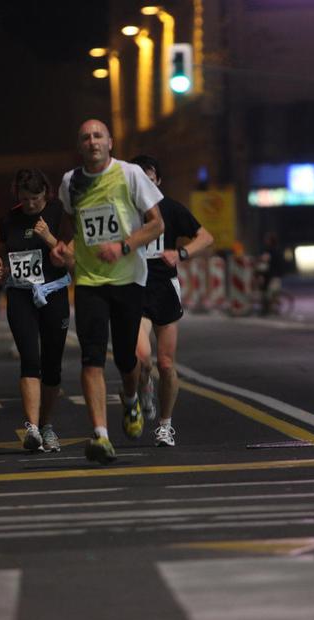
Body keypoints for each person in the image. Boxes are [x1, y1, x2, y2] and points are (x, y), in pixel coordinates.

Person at [51, 119, 164, 464]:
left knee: (128, 359)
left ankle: (130, 398)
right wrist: (63, 247)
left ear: (110, 142)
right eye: (86, 137)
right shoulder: (70, 182)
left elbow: (156, 224)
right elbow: (69, 223)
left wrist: (123, 246)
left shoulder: (131, 174)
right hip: (89, 281)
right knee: (92, 357)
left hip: (129, 279)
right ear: (79, 146)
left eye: (98, 135)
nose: (92, 141)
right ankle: (100, 434)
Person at [130, 155, 214, 447]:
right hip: (135, 288)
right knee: (142, 358)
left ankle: (165, 426)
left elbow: (205, 237)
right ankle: (144, 386)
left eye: (150, 178)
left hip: (164, 288)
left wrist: (181, 253)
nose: (145, 184)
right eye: (139, 179)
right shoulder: (124, 210)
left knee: (166, 364)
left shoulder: (171, 209)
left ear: (158, 181)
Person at [0, 169, 72, 453]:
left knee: (52, 365)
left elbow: (69, 258)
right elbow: (1, 253)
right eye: (25, 199)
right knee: (29, 360)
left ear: (45, 193)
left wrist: (48, 237)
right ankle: (33, 429)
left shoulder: (58, 213)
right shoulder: (9, 218)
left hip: (53, 293)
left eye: (35, 198)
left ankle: (47, 425)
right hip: (20, 294)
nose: (30, 204)